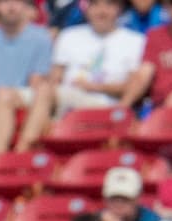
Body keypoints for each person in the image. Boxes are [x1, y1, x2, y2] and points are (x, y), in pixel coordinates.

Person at [37, 0, 146, 130]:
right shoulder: (68, 36)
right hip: (63, 100)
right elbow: (55, 77)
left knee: (44, 95)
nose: (102, 11)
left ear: (119, 9)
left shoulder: (135, 41)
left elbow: (134, 87)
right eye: (95, 5)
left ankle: (26, 146)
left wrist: (95, 87)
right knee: (10, 97)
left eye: (109, 5)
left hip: (104, 104)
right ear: (86, 9)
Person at [0, 0, 54, 154]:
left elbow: (36, 81)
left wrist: (5, 97)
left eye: (17, 1)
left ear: (25, 6)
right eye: (5, 2)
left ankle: (10, 155)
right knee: (0, 98)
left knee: (6, 96)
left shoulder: (41, 38)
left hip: (26, 95)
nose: (11, 6)